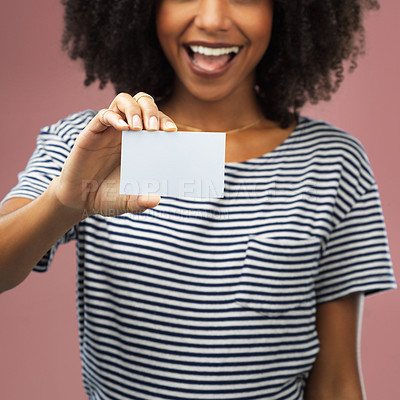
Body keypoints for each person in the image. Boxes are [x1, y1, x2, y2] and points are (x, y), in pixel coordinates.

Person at [0, 0, 396, 399]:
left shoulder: (332, 162)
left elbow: (337, 381)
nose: (211, 20)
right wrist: (67, 201)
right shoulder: (93, 148)